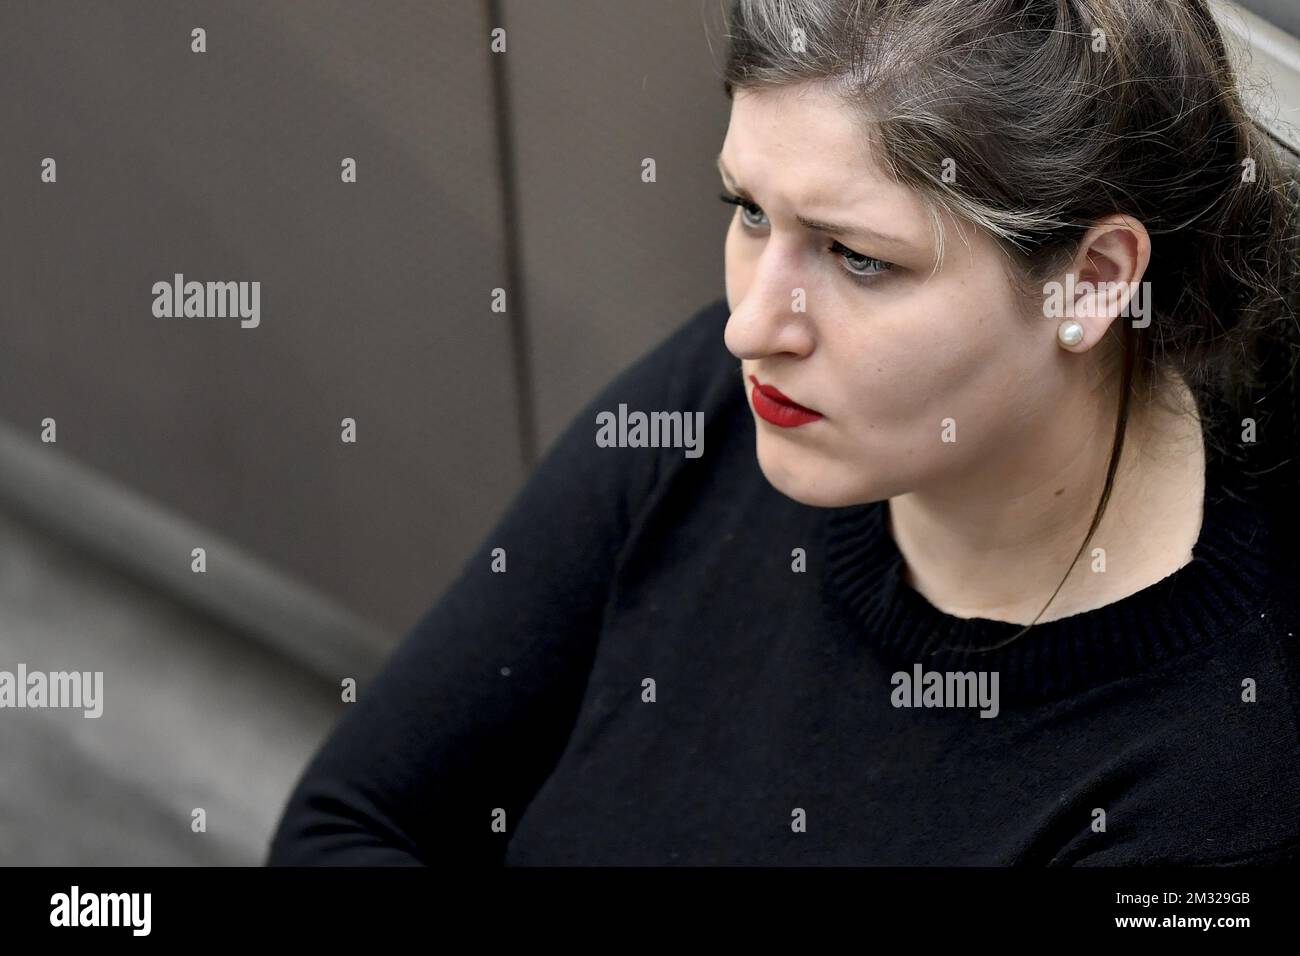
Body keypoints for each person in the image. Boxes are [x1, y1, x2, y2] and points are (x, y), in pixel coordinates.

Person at [267, 0, 1300, 865]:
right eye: (750, 212)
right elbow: (351, 822)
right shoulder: (743, 399)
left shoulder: (1201, 805)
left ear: (1092, 282)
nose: (750, 324)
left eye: (856, 258)